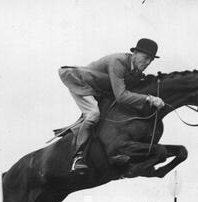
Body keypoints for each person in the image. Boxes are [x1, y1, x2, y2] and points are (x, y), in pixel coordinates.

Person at [58, 38, 165, 172]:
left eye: (151, 60)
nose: (148, 62)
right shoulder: (118, 62)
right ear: (135, 53)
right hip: (79, 81)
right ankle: (78, 157)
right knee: (93, 114)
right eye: (146, 58)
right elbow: (121, 96)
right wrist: (149, 98)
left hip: (98, 87)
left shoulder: (135, 70)